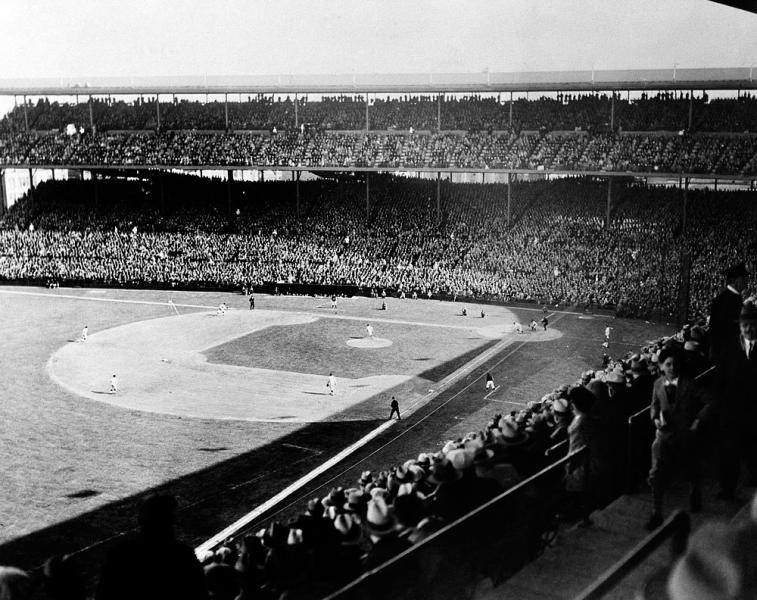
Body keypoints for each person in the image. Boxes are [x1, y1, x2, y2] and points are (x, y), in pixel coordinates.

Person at [646, 347, 711, 530]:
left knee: (691, 470)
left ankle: (694, 492)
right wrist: (656, 419)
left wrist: (697, 421)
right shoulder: (658, 384)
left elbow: (710, 401)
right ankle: (656, 512)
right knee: (656, 473)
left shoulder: (690, 384)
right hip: (664, 436)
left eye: (674, 364)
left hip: (685, 435)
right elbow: (654, 406)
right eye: (668, 364)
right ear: (661, 366)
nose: (672, 367)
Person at [96, 494, 208, 600]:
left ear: (140, 520)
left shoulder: (119, 552)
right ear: (172, 520)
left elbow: (103, 593)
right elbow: (199, 592)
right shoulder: (183, 554)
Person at [716, 300, 757, 501]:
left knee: (753, 448)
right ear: (739, 326)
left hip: (754, 411)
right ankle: (727, 489)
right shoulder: (730, 348)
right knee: (728, 452)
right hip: (732, 410)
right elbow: (721, 380)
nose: (748, 328)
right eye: (745, 324)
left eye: (752, 324)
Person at [709, 261, 748, 364]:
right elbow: (718, 330)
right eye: (744, 278)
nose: (746, 280)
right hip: (726, 355)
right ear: (735, 281)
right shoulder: (726, 301)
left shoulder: (728, 298)